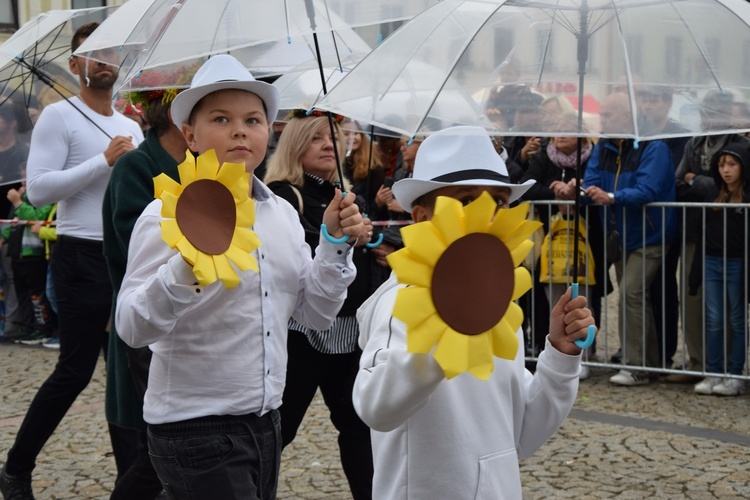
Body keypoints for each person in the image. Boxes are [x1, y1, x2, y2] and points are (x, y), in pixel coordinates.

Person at [115, 54, 364, 500]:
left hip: (267, 419)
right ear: (190, 135)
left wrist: (333, 243)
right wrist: (187, 264)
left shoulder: (282, 214)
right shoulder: (165, 214)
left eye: (253, 119)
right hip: (195, 425)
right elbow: (132, 327)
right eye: (221, 118)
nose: (239, 130)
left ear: (268, 132)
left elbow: (316, 313)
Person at [353, 125, 595, 499]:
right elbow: (375, 407)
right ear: (421, 217)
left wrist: (560, 357)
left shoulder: (498, 300)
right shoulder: (400, 299)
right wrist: (439, 340)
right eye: (465, 200)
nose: (486, 212)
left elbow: (521, 431)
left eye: (499, 200)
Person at [0, 22, 143, 500]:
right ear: (77, 64)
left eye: (112, 53)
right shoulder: (59, 116)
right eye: (92, 54)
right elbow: (39, 190)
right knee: (76, 370)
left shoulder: (131, 124)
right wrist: (103, 160)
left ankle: (132, 482)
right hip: (80, 252)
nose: (104, 61)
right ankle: (17, 467)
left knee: (126, 373)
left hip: (124, 254)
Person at [264, 114, 374, 499]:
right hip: (303, 330)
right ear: (294, 146)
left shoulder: (347, 196)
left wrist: (371, 240)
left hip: (349, 328)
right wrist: (338, 236)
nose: (329, 144)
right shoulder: (281, 194)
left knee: (358, 426)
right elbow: (294, 253)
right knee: (281, 428)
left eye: (333, 137)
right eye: (315, 139)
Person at [102, 87, 187, 499]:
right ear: (175, 113)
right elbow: (135, 253)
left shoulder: (205, 169)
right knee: (148, 460)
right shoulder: (135, 167)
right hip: (146, 338)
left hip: (190, 334)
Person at [583, 92, 677, 386]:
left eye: (608, 115)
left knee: (631, 294)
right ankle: (646, 363)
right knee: (637, 297)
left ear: (627, 116)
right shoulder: (605, 147)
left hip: (650, 235)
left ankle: (635, 366)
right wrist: (582, 190)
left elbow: (648, 190)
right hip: (621, 233)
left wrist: (610, 197)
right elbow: (592, 180)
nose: (602, 120)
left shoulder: (654, 146)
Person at [671, 90, 750, 382]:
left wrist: (699, 181)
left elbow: (730, 187)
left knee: (732, 308)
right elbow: (679, 182)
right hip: (695, 230)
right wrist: (705, 185)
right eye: (706, 112)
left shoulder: (742, 145)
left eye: (714, 113)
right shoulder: (694, 143)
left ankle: (731, 367)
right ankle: (698, 363)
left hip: (732, 237)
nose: (708, 118)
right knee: (693, 299)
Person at [692, 144, 749, 396]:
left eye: (732, 165)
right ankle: (714, 371)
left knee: (737, 319)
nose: (726, 170)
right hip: (712, 261)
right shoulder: (713, 194)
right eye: (721, 165)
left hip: (737, 262)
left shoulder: (746, 197)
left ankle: (735, 374)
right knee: (714, 319)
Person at [0, 182, 55, 345]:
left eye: (27, 179)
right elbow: (14, 222)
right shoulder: (23, 197)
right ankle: (27, 327)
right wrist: (3, 238)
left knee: (36, 295)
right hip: (17, 254)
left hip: (34, 254)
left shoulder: (45, 198)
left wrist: (18, 202)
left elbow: (37, 217)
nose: (23, 183)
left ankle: (42, 329)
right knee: (22, 294)